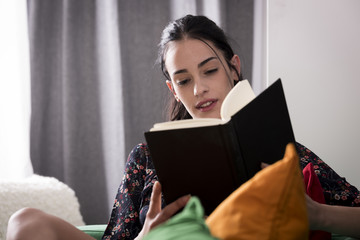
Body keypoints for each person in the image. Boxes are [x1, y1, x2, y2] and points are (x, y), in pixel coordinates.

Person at [6, 14, 360, 240]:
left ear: (233, 67)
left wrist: (318, 214)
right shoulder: (146, 157)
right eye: (183, 80)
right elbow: (118, 236)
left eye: (209, 71)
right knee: (25, 222)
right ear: (172, 89)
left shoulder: (282, 151)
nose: (199, 89)